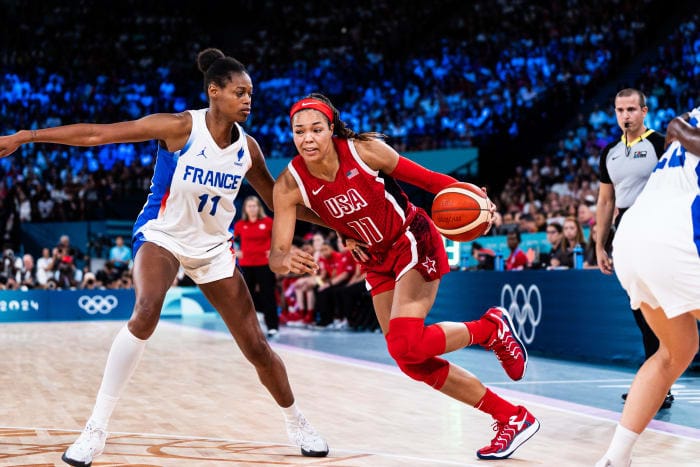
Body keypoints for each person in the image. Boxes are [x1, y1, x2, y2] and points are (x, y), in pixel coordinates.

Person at [0, 48, 328, 466]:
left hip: (213, 248)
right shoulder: (179, 127)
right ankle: (95, 429)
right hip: (163, 235)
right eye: (240, 92)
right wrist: (25, 136)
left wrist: (347, 226)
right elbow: (97, 135)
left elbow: (281, 202)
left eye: (250, 93)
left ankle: (297, 421)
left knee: (256, 347)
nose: (249, 100)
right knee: (146, 310)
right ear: (214, 91)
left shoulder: (249, 149)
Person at [269, 93, 539, 460]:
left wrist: (476, 199)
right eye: (299, 131)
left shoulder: (364, 151)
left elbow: (430, 181)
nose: (307, 138)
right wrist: (286, 259)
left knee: (407, 343)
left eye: (316, 129)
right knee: (409, 360)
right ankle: (511, 416)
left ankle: (490, 329)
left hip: (411, 238)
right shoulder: (289, 184)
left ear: (331, 129)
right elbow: (276, 255)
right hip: (375, 258)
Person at [594, 108, 700, 467]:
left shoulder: (687, 118)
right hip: (678, 237)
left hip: (632, 237)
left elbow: (675, 129)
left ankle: (616, 457)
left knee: (674, 352)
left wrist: (679, 129)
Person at [595, 88, 672, 408]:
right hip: (625, 231)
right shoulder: (609, 152)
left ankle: (660, 382)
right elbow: (605, 201)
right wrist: (599, 245)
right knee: (640, 309)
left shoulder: (661, 143)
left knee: (662, 308)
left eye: (631, 109)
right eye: (620, 110)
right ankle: (657, 383)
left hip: (658, 228)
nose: (625, 115)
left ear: (644, 111)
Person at [232, 195, 279, 337]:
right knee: (247, 297)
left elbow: (279, 238)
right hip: (246, 265)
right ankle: (248, 328)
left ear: (259, 208)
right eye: (249, 206)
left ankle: (272, 326)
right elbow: (230, 240)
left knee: (268, 295)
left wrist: (274, 250)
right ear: (245, 209)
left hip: (264, 264)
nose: (252, 209)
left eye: (254, 206)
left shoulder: (268, 222)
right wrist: (235, 252)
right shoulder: (240, 224)